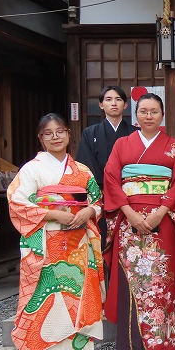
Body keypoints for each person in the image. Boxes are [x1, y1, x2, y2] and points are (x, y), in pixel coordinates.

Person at [7, 114, 105, 350]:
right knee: (48, 300)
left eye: (60, 131)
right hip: (46, 242)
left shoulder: (82, 170)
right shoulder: (31, 170)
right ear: (41, 138)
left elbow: (98, 201)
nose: (55, 137)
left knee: (77, 299)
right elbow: (18, 203)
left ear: (68, 134)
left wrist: (88, 211)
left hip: (78, 242)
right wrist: (53, 214)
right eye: (48, 133)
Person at [103, 93, 175, 350]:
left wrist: (161, 211)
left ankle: (161, 344)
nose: (148, 116)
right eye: (143, 111)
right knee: (132, 281)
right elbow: (111, 179)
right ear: (136, 115)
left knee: (161, 282)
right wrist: (128, 212)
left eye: (154, 111)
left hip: (162, 220)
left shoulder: (174, 146)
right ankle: (135, 346)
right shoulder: (122, 144)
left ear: (162, 115)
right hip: (129, 219)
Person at [75, 85, 138, 238]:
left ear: (125, 105)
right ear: (101, 105)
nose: (114, 103)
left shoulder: (135, 133)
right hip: (100, 193)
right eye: (108, 99)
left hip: (129, 192)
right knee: (102, 236)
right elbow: (86, 165)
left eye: (118, 99)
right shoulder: (90, 133)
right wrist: (102, 189)